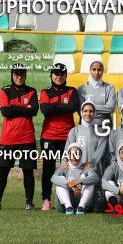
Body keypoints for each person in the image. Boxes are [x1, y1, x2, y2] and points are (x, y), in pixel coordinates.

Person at [0, 64, 38, 211]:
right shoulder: (5, 90)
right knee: (3, 170)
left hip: (27, 138)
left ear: (25, 75)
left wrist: (15, 108)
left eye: (22, 74)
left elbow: (35, 110)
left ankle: (29, 202)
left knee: (28, 171)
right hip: (8, 138)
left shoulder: (32, 91)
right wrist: (25, 109)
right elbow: (5, 111)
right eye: (16, 74)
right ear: (12, 75)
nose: (19, 77)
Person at [39, 63, 80, 210]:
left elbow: (73, 107)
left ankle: (70, 197)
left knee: (70, 168)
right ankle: (46, 199)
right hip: (49, 136)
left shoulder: (72, 91)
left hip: (68, 137)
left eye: (62, 74)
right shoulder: (45, 91)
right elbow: (45, 109)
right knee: (48, 168)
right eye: (56, 74)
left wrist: (54, 106)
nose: (59, 76)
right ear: (51, 75)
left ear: (66, 76)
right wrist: (63, 107)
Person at [51, 143, 99, 215]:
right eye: (72, 154)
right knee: (61, 178)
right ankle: (68, 207)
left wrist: (79, 181)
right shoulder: (64, 167)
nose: (74, 157)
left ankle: (81, 208)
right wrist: (70, 184)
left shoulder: (86, 167)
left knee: (89, 181)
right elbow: (53, 178)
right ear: (68, 154)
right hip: (63, 205)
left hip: (82, 201)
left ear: (81, 155)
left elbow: (95, 178)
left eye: (77, 153)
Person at [62, 101, 108, 175]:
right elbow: (67, 149)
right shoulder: (74, 131)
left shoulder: (101, 131)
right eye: (85, 111)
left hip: (95, 171)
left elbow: (100, 151)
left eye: (91, 111)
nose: (88, 114)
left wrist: (92, 163)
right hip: (78, 171)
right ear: (81, 112)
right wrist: (64, 161)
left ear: (95, 113)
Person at [77, 58, 116, 128]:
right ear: (90, 70)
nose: (96, 73)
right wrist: (103, 110)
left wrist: (89, 110)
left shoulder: (110, 88)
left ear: (103, 70)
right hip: (86, 127)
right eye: (94, 69)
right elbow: (81, 110)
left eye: (99, 70)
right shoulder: (81, 89)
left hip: (104, 127)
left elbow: (111, 108)